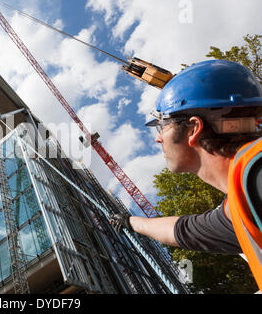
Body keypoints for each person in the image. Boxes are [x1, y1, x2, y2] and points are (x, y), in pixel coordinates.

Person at [110, 59, 262, 290]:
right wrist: (131, 222)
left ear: (193, 129)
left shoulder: (256, 172)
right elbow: (184, 230)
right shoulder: (240, 207)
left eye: (163, 126)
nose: (158, 138)